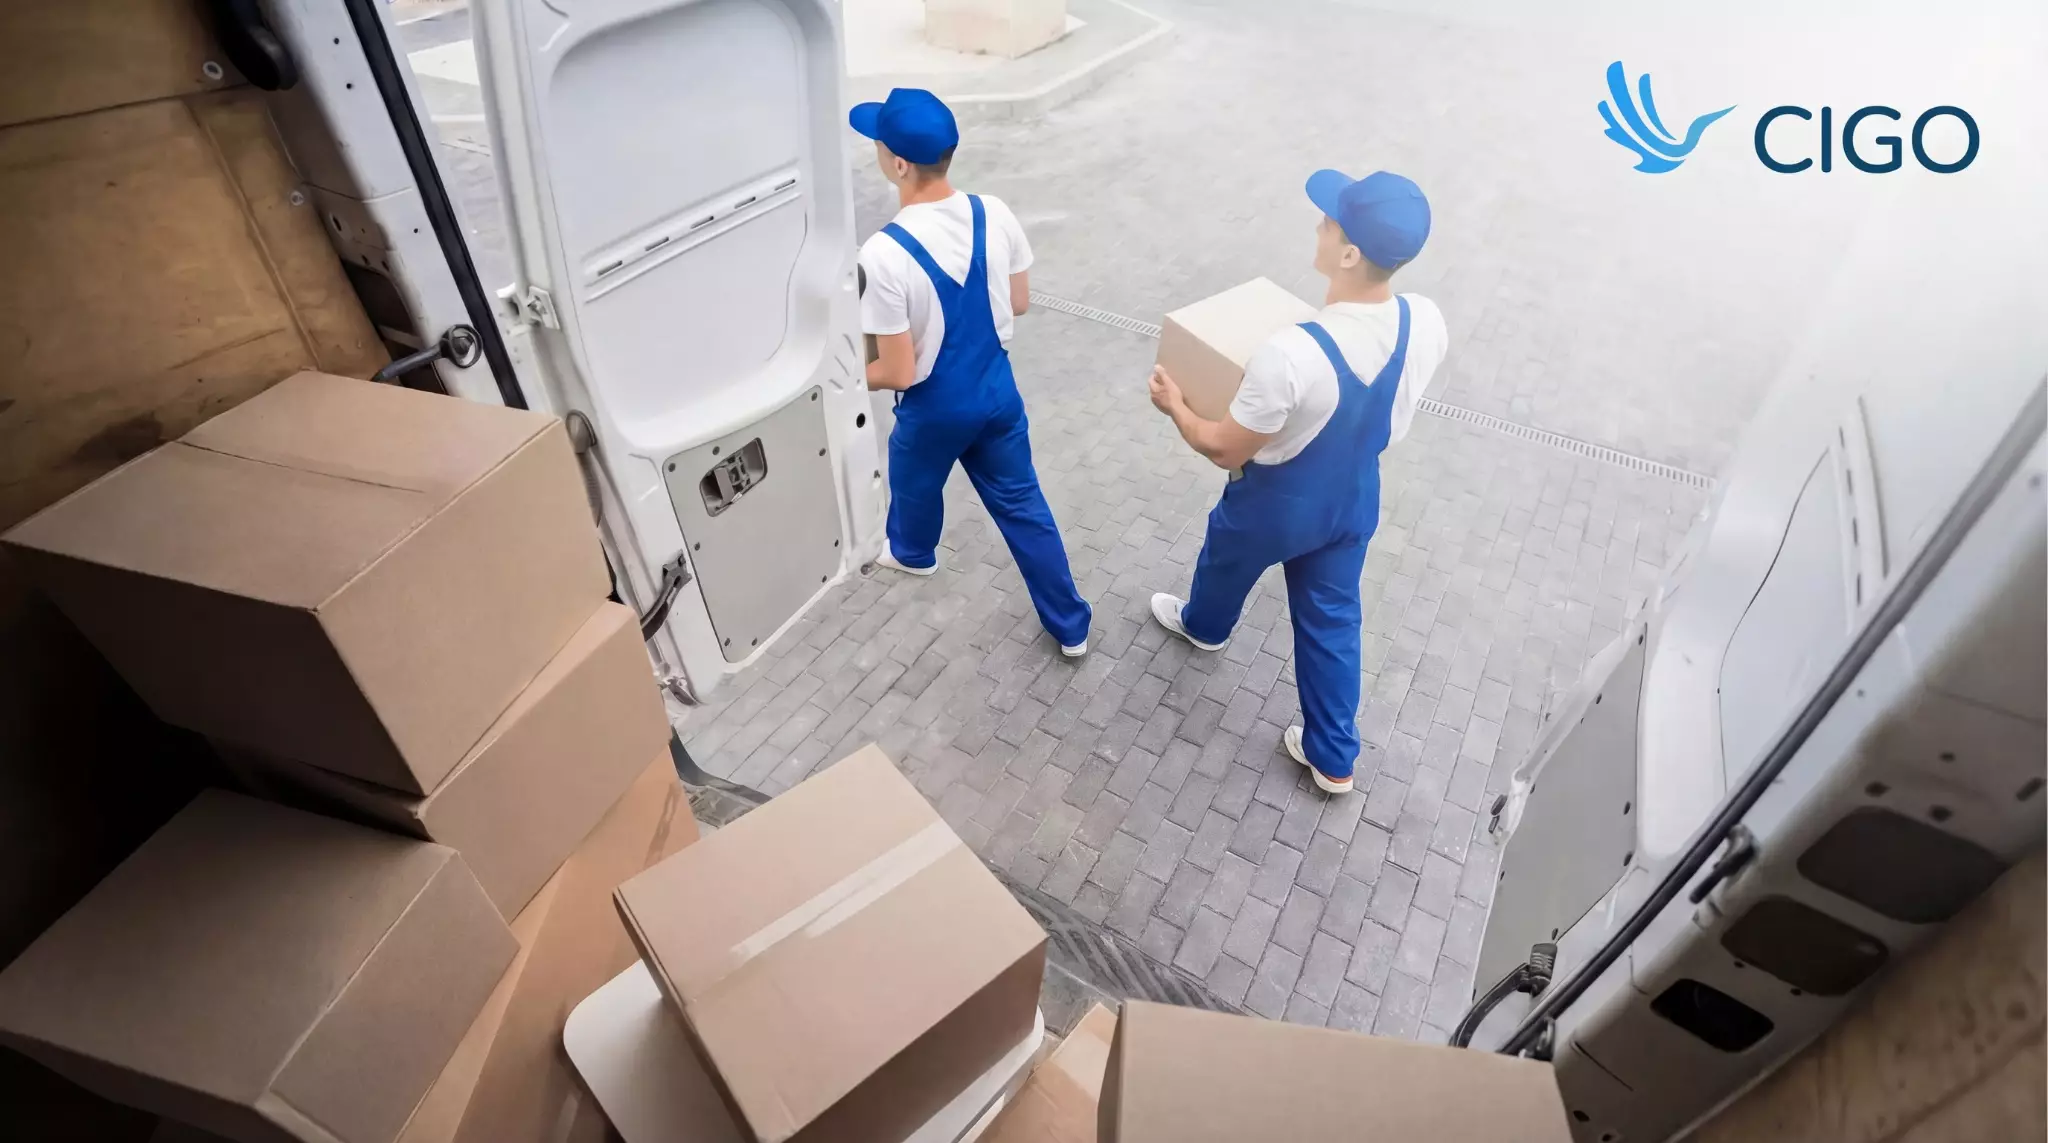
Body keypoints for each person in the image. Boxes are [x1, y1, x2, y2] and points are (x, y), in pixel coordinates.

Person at [1146, 170, 1448, 794]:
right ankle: (1333, 757)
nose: (1318, 225)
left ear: (1348, 252)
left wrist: (1176, 404)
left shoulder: (1291, 353)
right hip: (1354, 498)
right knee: (1333, 618)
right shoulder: (1425, 321)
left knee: (1226, 558)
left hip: (1275, 504)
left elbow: (1220, 445)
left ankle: (1204, 626)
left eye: (1329, 221)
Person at [851, 87, 1092, 657]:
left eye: (879, 145)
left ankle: (913, 555)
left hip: (935, 407)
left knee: (913, 482)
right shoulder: (993, 211)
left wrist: (848, 378)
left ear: (899, 164)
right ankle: (1072, 626)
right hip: (997, 391)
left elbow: (901, 371)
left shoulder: (882, 255)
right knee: (1023, 506)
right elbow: (1022, 300)